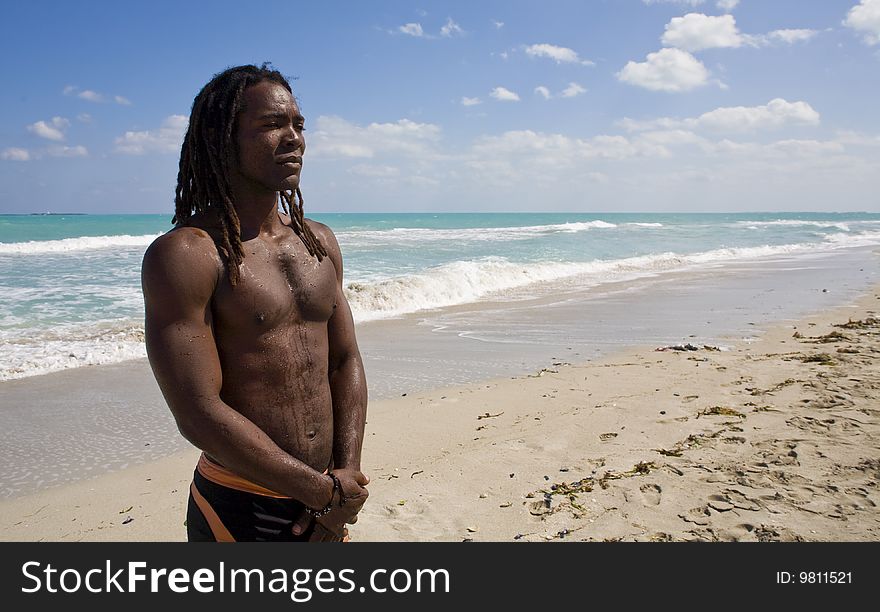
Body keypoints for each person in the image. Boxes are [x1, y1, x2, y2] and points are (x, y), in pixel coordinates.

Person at [142, 64, 369, 542]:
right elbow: (198, 411)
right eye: (271, 125)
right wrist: (320, 492)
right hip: (241, 503)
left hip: (325, 499)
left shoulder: (318, 242)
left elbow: (345, 361)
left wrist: (345, 476)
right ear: (223, 138)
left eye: (298, 125)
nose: (293, 139)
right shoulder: (188, 254)